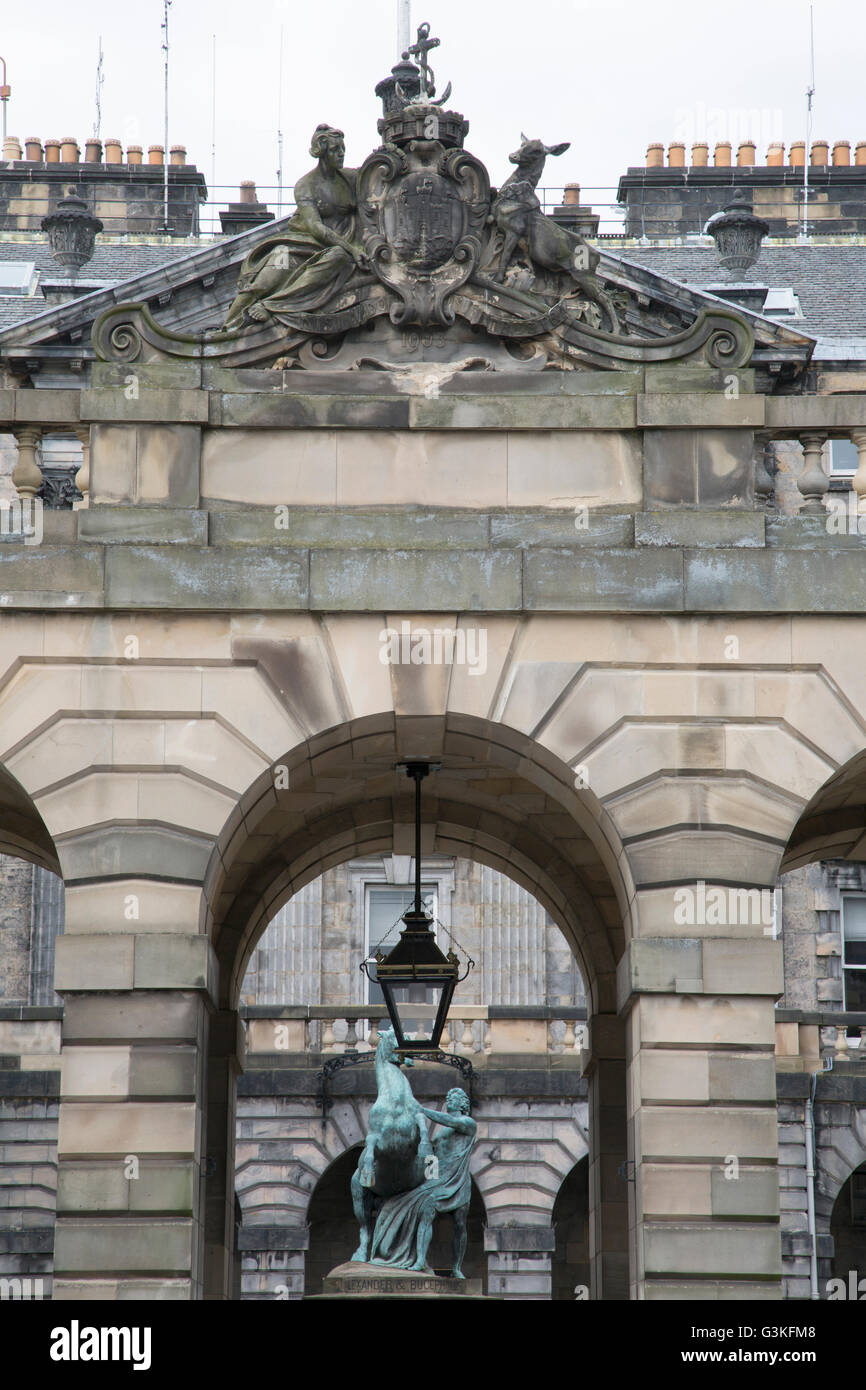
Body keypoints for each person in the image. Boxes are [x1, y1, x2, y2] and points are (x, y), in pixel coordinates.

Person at [222, 123, 368, 331]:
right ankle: (228, 329)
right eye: (336, 150)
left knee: (338, 257)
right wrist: (352, 249)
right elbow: (315, 226)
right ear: (322, 152)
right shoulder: (306, 185)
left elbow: (376, 172)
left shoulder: (350, 178)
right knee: (266, 280)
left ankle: (272, 305)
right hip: (299, 244)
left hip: (336, 249)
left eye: (343, 149)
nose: (342, 154)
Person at [369, 1086, 476, 1278]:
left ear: (464, 1104)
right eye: (449, 1096)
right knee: (425, 1209)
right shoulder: (441, 1133)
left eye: (456, 1097)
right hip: (438, 1178)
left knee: (460, 1223)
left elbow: (450, 1120)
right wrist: (423, 1179)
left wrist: (422, 1110)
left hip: (458, 1180)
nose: (450, 1099)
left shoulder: (467, 1123)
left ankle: (457, 1268)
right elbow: (432, 1158)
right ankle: (419, 1260)